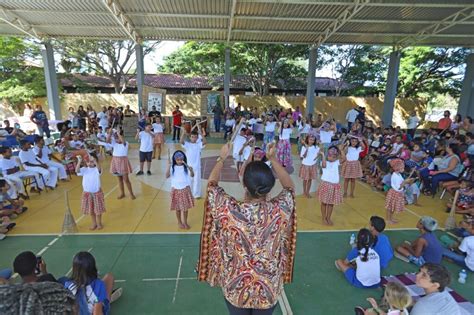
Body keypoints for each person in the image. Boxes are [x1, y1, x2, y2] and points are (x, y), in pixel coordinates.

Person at [198, 141, 296, 315]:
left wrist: (222, 158)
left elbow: (211, 185)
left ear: (244, 185)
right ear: (270, 186)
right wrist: (272, 159)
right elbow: (289, 187)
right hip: (268, 286)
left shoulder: (228, 209)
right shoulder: (280, 209)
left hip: (235, 285)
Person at [102, 128, 135, 200]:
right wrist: (110, 134)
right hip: (115, 161)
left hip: (123, 162)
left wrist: (118, 133)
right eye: (116, 138)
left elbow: (122, 141)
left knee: (126, 179)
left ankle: (131, 193)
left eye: (119, 137)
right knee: (119, 179)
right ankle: (122, 193)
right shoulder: (114, 143)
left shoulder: (126, 143)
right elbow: (107, 141)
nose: (117, 139)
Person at [166, 150, 194, 229]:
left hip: (185, 189)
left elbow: (192, 175)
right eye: (177, 160)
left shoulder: (186, 167)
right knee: (177, 208)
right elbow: (166, 176)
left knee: (185, 208)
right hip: (176, 190)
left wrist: (191, 170)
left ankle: (185, 222)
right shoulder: (172, 167)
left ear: (184, 159)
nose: (179, 161)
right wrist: (168, 166)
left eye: (181, 160)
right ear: (175, 160)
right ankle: (179, 222)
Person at [76, 156, 106, 230]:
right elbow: (77, 171)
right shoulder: (84, 170)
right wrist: (79, 161)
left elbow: (99, 169)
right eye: (88, 161)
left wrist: (95, 161)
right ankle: (94, 223)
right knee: (91, 210)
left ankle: (99, 223)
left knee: (98, 210)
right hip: (87, 193)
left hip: (97, 193)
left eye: (91, 162)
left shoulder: (97, 169)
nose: (90, 163)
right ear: (86, 162)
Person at [318, 145, 345, 225]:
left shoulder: (337, 162)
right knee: (324, 203)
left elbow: (344, 159)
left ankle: (328, 217)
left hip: (334, 186)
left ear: (336, 157)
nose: (331, 158)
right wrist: (322, 155)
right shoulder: (324, 162)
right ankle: (323, 218)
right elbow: (324, 166)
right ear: (327, 155)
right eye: (329, 155)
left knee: (331, 203)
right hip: (326, 185)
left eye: (334, 156)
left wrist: (341, 150)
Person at [180, 125, 206, 199]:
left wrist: (201, 134)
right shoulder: (187, 145)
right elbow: (181, 141)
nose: (194, 138)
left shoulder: (198, 145)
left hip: (197, 165)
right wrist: (183, 133)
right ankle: (188, 194)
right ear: (190, 137)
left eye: (195, 137)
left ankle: (196, 194)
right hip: (189, 166)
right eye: (192, 137)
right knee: (189, 180)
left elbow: (204, 142)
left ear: (197, 138)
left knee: (197, 180)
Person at [385, 159, 406, 224]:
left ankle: (391, 218)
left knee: (393, 207)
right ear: (397, 168)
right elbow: (399, 187)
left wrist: (405, 182)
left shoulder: (399, 175)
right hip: (395, 193)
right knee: (390, 207)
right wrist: (405, 182)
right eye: (402, 167)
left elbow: (401, 182)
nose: (403, 169)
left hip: (398, 193)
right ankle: (388, 219)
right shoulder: (395, 176)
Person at [299, 134, 319, 198]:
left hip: (312, 165)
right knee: (305, 179)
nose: (311, 141)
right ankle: (304, 191)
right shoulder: (304, 147)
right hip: (305, 165)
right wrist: (307, 149)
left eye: (313, 140)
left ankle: (308, 192)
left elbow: (317, 155)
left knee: (310, 179)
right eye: (310, 139)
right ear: (307, 139)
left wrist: (315, 159)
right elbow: (302, 157)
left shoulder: (316, 147)